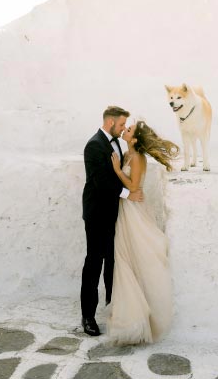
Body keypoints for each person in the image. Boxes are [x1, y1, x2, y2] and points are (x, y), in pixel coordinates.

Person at [106, 118, 178, 345]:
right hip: (126, 207)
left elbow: (134, 187)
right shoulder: (129, 154)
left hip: (133, 210)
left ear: (135, 139)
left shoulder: (136, 158)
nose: (125, 131)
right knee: (125, 257)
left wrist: (117, 170)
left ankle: (136, 317)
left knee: (131, 255)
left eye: (129, 130)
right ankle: (127, 311)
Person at [80, 105, 141, 336]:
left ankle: (112, 309)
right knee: (94, 263)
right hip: (97, 214)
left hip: (115, 213)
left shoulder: (116, 142)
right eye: (122, 124)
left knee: (113, 264)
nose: (124, 128)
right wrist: (129, 194)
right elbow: (100, 182)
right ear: (110, 123)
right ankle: (88, 316)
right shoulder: (94, 145)